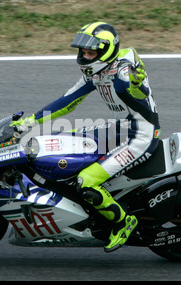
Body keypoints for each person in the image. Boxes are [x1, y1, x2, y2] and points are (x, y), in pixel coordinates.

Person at [13, 22, 160, 252]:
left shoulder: (123, 68)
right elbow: (66, 102)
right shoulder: (96, 71)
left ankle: (123, 222)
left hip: (140, 135)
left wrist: (135, 82)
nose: (85, 56)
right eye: (83, 51)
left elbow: (133, 89)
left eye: (91, 52)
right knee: (65, 145)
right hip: (120, 127)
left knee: (87, 182)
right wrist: (30, 122)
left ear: (106, 51)